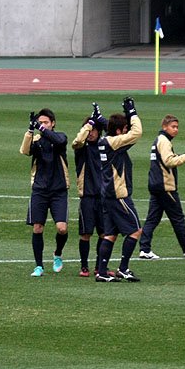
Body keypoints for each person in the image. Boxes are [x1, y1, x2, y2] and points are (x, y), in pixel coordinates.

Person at [138, 114, 185, 260]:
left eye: (177, 127)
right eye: (173, 127)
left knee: (152, 219)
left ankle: (144, 249)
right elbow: (169, 161)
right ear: (164, 127)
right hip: (165, 187)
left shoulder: (160, 140)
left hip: (156, 185)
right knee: (177, 218)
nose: (176, 129)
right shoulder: (164, 141)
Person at [94, 96, 143, 282]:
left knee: (110, 235)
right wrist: (131, 112)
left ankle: (102, 272)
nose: (126, 132)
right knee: (135, 231)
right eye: (124, 130)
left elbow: (116, 129)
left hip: (107, 194)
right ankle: (123, 268)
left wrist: (101, 119)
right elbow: (137, 133)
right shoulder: (114, 143)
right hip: (118, 195)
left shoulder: (105, 141)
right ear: (117, 131)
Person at [21, 107, 70, 277]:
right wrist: (30, 130)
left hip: (59, 190)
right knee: (37, 228)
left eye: (46, 122)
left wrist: (41, 128)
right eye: (40, 122)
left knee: (62, 228)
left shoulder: (60, 137)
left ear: (53, 123)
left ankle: (57, 254)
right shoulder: (36, 140)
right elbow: (25, 151)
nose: (42, 125)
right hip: (40, 190)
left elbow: (59, 141)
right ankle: (39, 266)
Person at [72, 104, 106, 277]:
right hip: (87, 196)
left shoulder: (105, 146)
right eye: (89, 130)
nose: (91, 133)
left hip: (104, 196)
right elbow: (77, 141)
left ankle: (100, 266)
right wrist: (89, 123)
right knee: (85, 233)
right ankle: (84, 266)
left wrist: (101, 120)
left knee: (104, 233)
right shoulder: (82, 148)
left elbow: (119, 135)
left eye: (94, 130)